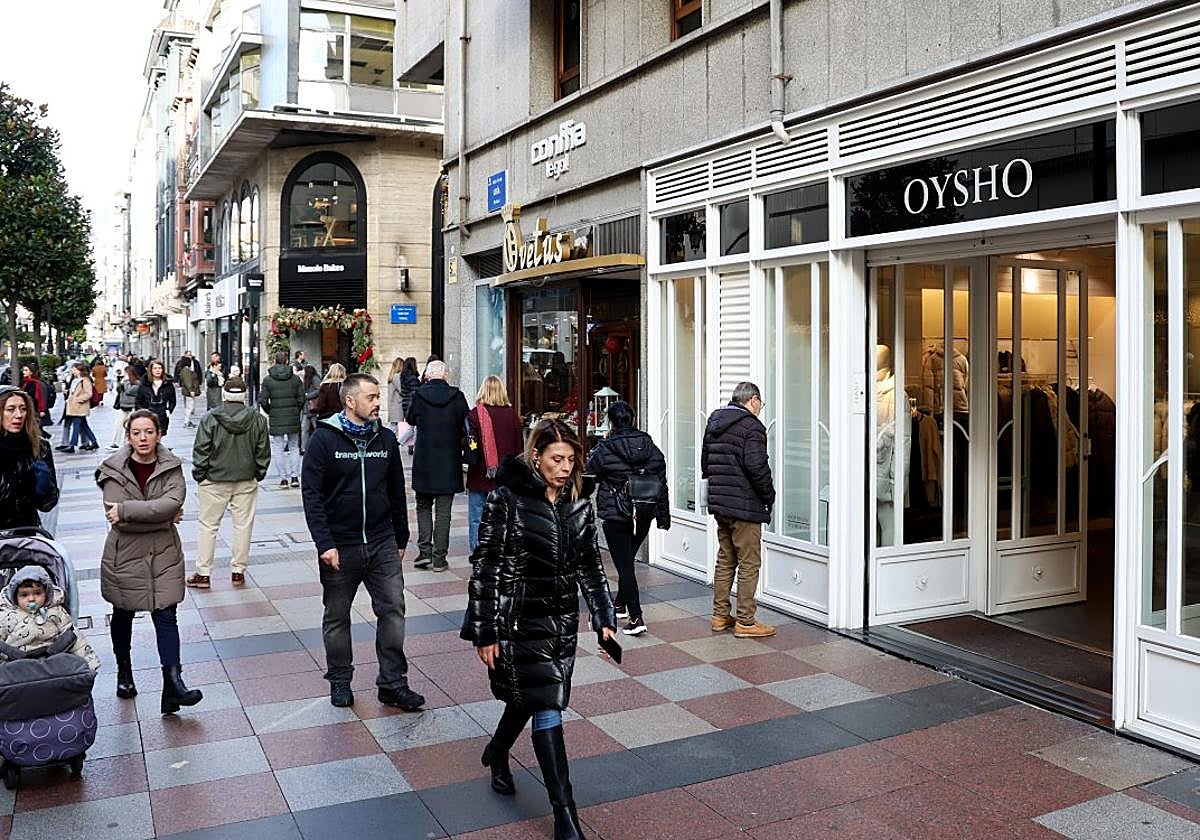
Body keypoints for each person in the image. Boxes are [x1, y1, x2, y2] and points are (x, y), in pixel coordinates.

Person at [462, 419, 616, 839]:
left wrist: (604, 618)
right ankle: (565, 815)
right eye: (556, 459)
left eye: (571, 460)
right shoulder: (506, 499)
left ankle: (497, 751)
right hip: (516, 620)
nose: (565, 468)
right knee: (547, 703)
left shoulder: (579, 500)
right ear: (536, 456)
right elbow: (486, 566)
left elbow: (590, 564)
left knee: (529, 697)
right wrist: (485, 630)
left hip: (561, 621)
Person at [301, 373, 423, 711]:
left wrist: (401, 535)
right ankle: (340, 681)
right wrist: (325, 543)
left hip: (382, 541)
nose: (377, 403)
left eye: (377, 396)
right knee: (337, 615)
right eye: (371, 397)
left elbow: (397, 489)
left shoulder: (384, 439)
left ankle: (393, 683)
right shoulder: (324, 440)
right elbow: (312, 495)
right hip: (341, 545)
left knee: (393, 611)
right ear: (350, 401)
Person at [97, 409, 202, 713]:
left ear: (159, 434)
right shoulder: (112, 468)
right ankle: (124, 671)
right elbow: (118, 519)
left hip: (164, 554)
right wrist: (162, 515)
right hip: (125, 555)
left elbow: (172, 502)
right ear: (128, 436)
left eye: (149, 432)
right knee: (124, 613)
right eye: (136, 432)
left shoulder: (171, 466)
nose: (143, 438)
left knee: (167, 617)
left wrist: (129, 510)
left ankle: (173, 685)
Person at [585, 401, 671, 636]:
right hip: (643, 512)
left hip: (616, 513)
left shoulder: (605, 448)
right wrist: (663, 515)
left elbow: (588, 475)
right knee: (627, 561)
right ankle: (621, 604)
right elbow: (661, 481)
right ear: (632, 419)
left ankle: (636, 617)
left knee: (624, 566)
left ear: (611, 422)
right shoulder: (648, 445)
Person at [701, 381, 776, 639]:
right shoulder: (752, 427)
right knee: (749, 562)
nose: (760, 408)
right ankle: (745, 620)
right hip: (744, 505)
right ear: (752, 400)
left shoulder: (715, 421)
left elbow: (705, 463)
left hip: (721, 503)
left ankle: (720, 615)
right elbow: (757, 467)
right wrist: (769, 496)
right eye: (760, 403)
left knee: (726, 558)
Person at [188, 376, 270, 589]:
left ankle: (203, 573)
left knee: (208, 526)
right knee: (243, 526)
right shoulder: (257, 419)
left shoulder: (210, 418)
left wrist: (201, 474)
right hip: (246, 479)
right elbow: (263, 451)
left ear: (224, 394)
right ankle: (238, 571)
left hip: (214, 479)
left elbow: (201, 449)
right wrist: (258, 473)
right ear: (244, 396)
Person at [405, 360, 468, 572]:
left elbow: (410, 418)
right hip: (449, 461)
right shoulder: (457, 396)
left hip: (424, 461)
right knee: (444, 512)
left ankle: (424, 552)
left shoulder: (419, 395)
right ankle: (439, 558)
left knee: (423, 506)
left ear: (427, 375)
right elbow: (465, 422)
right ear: (446, 375)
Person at [0, 565, 100, 671]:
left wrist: (90, 663)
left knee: (69, 638)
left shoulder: (56, 612)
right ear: (14, 597)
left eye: (37, 593)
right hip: (18, 664)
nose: (31, 599)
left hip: (53, 661)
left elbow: (75, 638)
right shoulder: (6, 616)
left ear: (47, 593)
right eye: (24, 595)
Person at [465, 375, 524, 553]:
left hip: (479, 475)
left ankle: (478, 553)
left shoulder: (474, 414)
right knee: (503, 517)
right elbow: (518, 448)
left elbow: (467, 443)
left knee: (477, 517)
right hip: (504, 477)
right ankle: (500, 551)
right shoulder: (511, 415)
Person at [0, 386, 59, 530]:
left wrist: (44, 487)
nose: (19, 415)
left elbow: (47, 505)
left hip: (25, 534)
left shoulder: (39, 446)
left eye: (23, 409)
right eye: (10, 409)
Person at [259, 350, 305, 489]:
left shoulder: (268, 379)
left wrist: (270, 411)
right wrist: (296, 410)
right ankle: (295, 477)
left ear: (275, 361)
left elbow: (263, 400)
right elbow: (302, 399)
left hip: (276, 417)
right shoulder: (295, 379)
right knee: (294, 447)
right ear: (286, 361)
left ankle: (283, 479)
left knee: (278, 448)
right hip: (292, 416)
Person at [58, 362, 99, 454]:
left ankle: (72, 446)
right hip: (74, 407)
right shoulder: (75, 380)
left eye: (74, 369)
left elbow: (89, 394)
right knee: (84, 426)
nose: (72, 371)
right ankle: (94, 442)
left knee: (76, 427)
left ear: (79, 370)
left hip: (80, 407)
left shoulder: (85, 380)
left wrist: (77, 399)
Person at [136, 359, 177, 437]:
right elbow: (138, 401)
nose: (157, 370)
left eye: (159, 368)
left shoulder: (168, 384)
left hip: (162, 415)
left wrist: (168, 411)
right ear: (150, 370)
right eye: (155, 368)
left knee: (159, 436)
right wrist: (142, 414)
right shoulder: (144, 384)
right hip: (147, 415)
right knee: (149, 436)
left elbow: (173, 400)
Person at [110, 365, 141, 449]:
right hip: (123, 406)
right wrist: (121, 383)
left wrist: (126, 381)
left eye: (125, 372)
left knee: (129, 425)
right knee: (118, 424)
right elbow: (118, 390)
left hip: (132, 406)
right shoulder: (124, 381)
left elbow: (129, 391)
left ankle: (127, 442)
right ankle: (115, 443)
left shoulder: (137, 383)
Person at [174, 351, 203, 428]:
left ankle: (188, 421)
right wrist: (191, 390)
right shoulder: (186, 371)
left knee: (189, 406)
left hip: (188, 391)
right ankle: (187, 421)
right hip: (189, 392)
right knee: (189, 407)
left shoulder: (186, 370)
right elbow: (188, 381)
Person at [18, 362, 51, 429]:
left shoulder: (36, 383)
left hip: (34, 410)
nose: (23, 372)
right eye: (23, 370)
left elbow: (41, 397)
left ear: (31, 372)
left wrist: (42, 410)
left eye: (26, 370)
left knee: (35, 428)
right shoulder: (23, 382)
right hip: (25, 408)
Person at [398, 357, 420, 454]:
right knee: (414, 428)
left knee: (412, 427)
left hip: (406, 404)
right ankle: (398, 443)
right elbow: (416, 392)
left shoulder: (404, 377)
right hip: (412, 405)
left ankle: (398, 443)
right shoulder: (412, 378)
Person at [300, 364, 321, 453]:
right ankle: (304, 448)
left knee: (315, 428)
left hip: (313, 407)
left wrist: (307, 396)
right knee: (304, 428)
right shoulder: (306, 379)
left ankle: (319, 447)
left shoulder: (315, 379)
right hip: (307, 408)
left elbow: (319, 390)